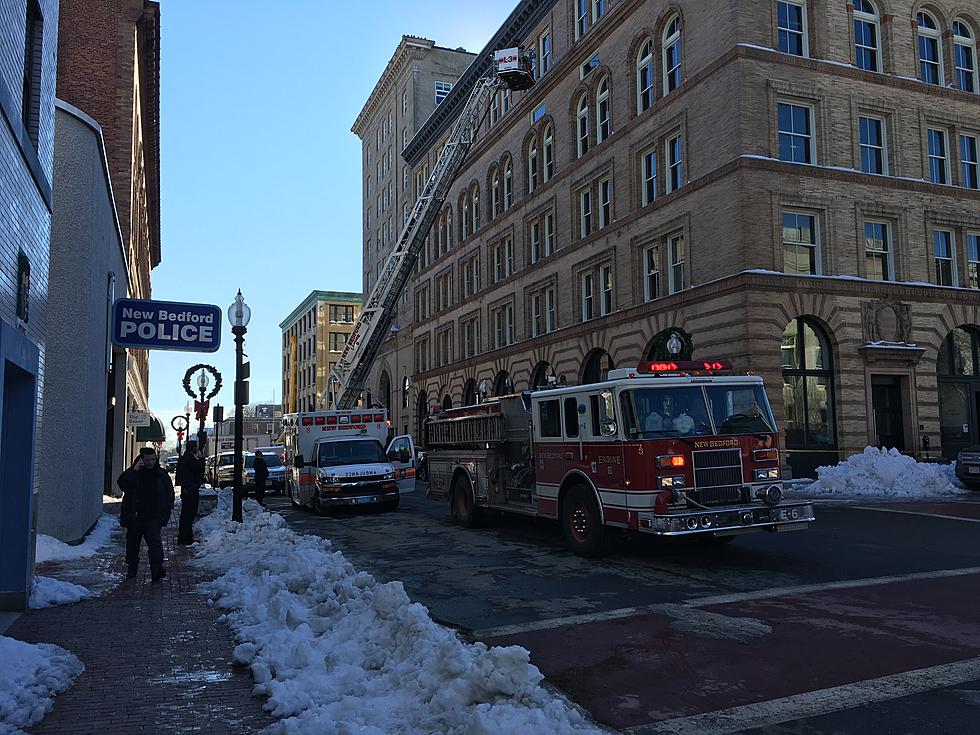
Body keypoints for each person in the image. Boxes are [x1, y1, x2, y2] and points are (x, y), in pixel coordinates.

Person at [117, 447, 175, 582]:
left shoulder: (161, 474)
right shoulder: (134, 473)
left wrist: (167, 509)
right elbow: (122, 484)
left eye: (153, 459)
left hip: (153, 517)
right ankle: (132, 569)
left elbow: (169, 493)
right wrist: (133, 471)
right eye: (147, 460)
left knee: (155, 545)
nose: (150, 462)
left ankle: (156, 570)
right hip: (135, 516)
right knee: (133, 545)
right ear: (141, 460)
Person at [175, 439, 205, 545]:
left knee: (186, 514)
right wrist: (201, 458)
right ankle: (185, 537)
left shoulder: (185, 458)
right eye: (196, 447)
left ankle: (185, 536)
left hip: (187, 488)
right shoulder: (189, 458)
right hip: (190, 489)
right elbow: (199, 469)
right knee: (189, 514)